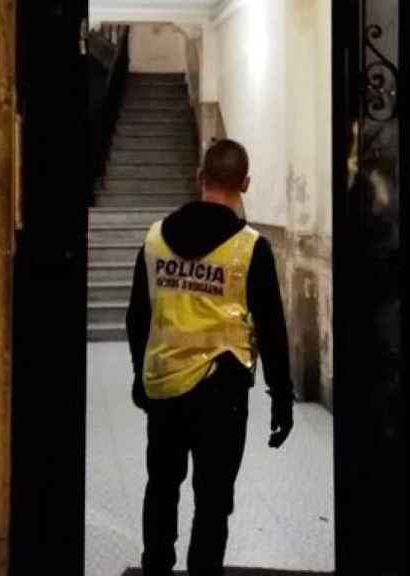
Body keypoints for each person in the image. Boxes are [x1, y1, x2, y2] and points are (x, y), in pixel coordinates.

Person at [125, 139, 295, 576]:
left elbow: (137, 318)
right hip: (222, 392)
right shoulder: (250, 248)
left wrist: (139, 377)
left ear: (200, 177)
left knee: (161, 487)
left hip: (163, 384)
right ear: (246, 183)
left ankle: (156, 566)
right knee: (213, 499)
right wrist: (282, 398)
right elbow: (273, 330)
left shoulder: (155, 238)